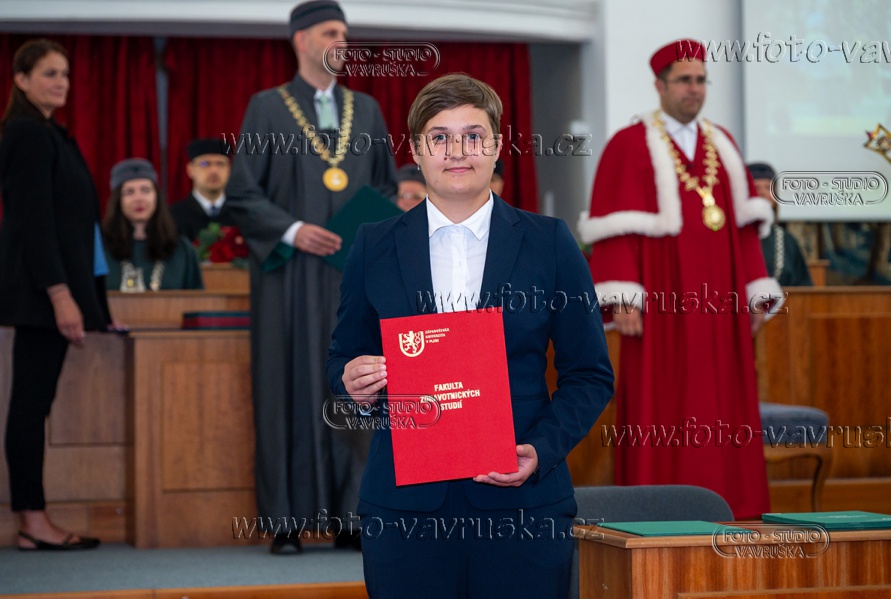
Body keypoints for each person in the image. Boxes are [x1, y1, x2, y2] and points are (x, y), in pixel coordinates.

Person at [328, 73, 614, 598]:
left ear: (498, 147)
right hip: (406, 509)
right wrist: (353, 383)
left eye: (473, 136)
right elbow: (342, 361)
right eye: (439, 137)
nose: (457, 151)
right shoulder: (373, 244)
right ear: (417, 151)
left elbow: (590, 374)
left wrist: (541, 449)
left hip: (522, 505)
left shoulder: (550, 242)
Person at [578, 40, 782, 519]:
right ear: (660, 85)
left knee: (724, 399)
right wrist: (623, 296)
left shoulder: (723, 144)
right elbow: (614, 230)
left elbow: (745, 227)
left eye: (701, 79)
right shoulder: (628, 144)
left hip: (721, 304)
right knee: (661, 401)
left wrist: (756, 289)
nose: (695, 89)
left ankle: (734, 507)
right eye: (684, 80)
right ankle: (658, 512)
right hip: (661, 305)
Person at [225, 0, 397, 554]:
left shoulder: (366, 109)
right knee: (286, 388)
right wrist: (295, 230)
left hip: (350, 277)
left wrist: (358, 233)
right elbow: (242, 193)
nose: (342, 43)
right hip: (290, 278)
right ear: (300, 40)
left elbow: (388, 188)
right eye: (330, 33)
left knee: (355, 387)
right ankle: (285, 522)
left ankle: (352, 517)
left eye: (345, 33)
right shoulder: (266, 108)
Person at [0, 38, 111, 551]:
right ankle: (33, 521)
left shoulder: (49, 133)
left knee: (34, 403)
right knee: (29, 406)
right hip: (41, 294)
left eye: (65, 73)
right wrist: (61, 295)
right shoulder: (26, 133)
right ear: (21, 80)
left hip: (50, 292)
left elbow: (76, 227)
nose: (61, 82)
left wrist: (96, 306)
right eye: (49, 73)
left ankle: (33, 519)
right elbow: (34, 224)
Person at [102, 158, 204, 292]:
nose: (139, 198)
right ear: (117, 200)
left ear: (156, 196)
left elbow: (197, 299)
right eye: (129, 192)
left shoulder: (181, 249)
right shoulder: (100, 249)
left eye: (146, 190)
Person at [748, 162, 814, 286]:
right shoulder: (732, 238)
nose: (763, 193)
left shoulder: (787, 241)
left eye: (768, 188)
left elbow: (804, 287)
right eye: (756, 187)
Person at [169, 138, 238, 242]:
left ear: (229, 170)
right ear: (190, 170)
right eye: (205, 164)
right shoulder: (173, 216)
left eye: (220, 164)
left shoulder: (241, 214)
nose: (214, 171)